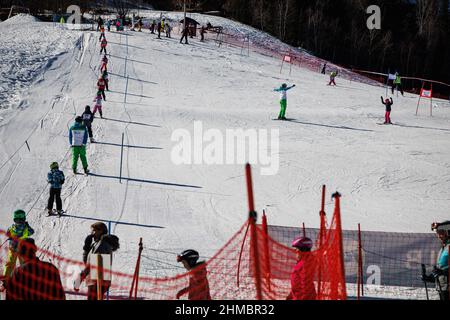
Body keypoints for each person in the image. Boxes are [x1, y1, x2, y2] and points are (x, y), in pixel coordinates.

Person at [77, 222, 119, 300]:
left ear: (101, 231)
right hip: (97, 279)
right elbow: (87, 262)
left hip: (98, 279)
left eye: (94, 230)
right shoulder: (96, 244)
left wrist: (79, 279)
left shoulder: (102, 244)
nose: (92, 233)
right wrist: (86, 248)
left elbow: (92, 264)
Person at [2, 210, 35, 279]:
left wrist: (10, 237)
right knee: (23, 263)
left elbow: (7, 234)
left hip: (13, 247)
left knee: (10, 263)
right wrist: (27, 225)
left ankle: (6, 276)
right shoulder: (26, 227)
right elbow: (32, 232)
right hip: (22, 248)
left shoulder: (12, 227)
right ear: (24, 219)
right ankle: (25, 277)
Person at [422, 221, 450, 301]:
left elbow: (444, 270)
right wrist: (430, 277)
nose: (438, 236)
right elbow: (441, 268)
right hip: (442, 287)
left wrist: (443, 272)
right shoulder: (443, 248)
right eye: (437, 233)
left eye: (441, 232)